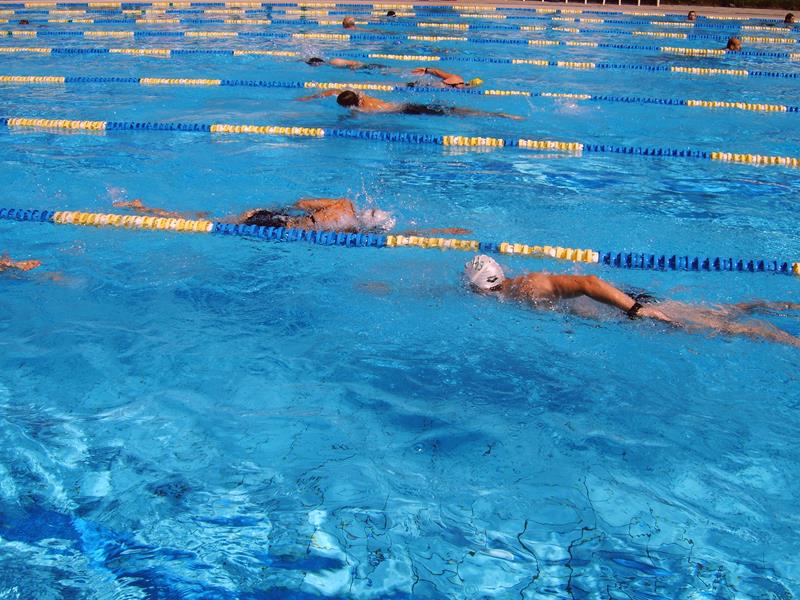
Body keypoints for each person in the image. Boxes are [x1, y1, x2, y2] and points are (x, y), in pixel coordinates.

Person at [464, 255, 800, 348]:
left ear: (481, 288)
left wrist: (639, 310)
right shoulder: (513, 291)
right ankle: (780, 306)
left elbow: (588, 282)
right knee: (720, 315)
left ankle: (790, 340)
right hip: (627, 309)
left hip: (633, 309)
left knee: (720, 328)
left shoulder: (529, 287)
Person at [113, 198, 471, 235]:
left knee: (206, 217)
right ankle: (143, 210)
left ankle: (145, 209)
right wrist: (446, 231)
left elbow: (302, 201)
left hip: (276, 215)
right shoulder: (352, 231)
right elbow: (407, 236)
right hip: (275, 224)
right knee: (209, 223)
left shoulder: (344, 205)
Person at [296, 88, 524, 119]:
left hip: (407, 111)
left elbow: (354, 116)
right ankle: (493, 114)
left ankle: (497, 115)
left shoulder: (363, 109)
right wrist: (312, 97)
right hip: (408, 105)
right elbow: (337, 91)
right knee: (450, 110)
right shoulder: (361, 96)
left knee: (451, 113)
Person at [408, 67, 483, 89]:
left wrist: (426, 70)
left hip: (423, 86)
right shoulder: (457, 79)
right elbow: (438, 72)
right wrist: (426, 70)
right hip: (419, 85)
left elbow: (437, 72)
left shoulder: (457, 80)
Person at [305, 56, 387, 70]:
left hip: (364, 67)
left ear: (317, 64)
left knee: (385, 69)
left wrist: (353, 69)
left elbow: (353, 64)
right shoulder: (329, 63)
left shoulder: (333, 62)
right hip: (362, 67)